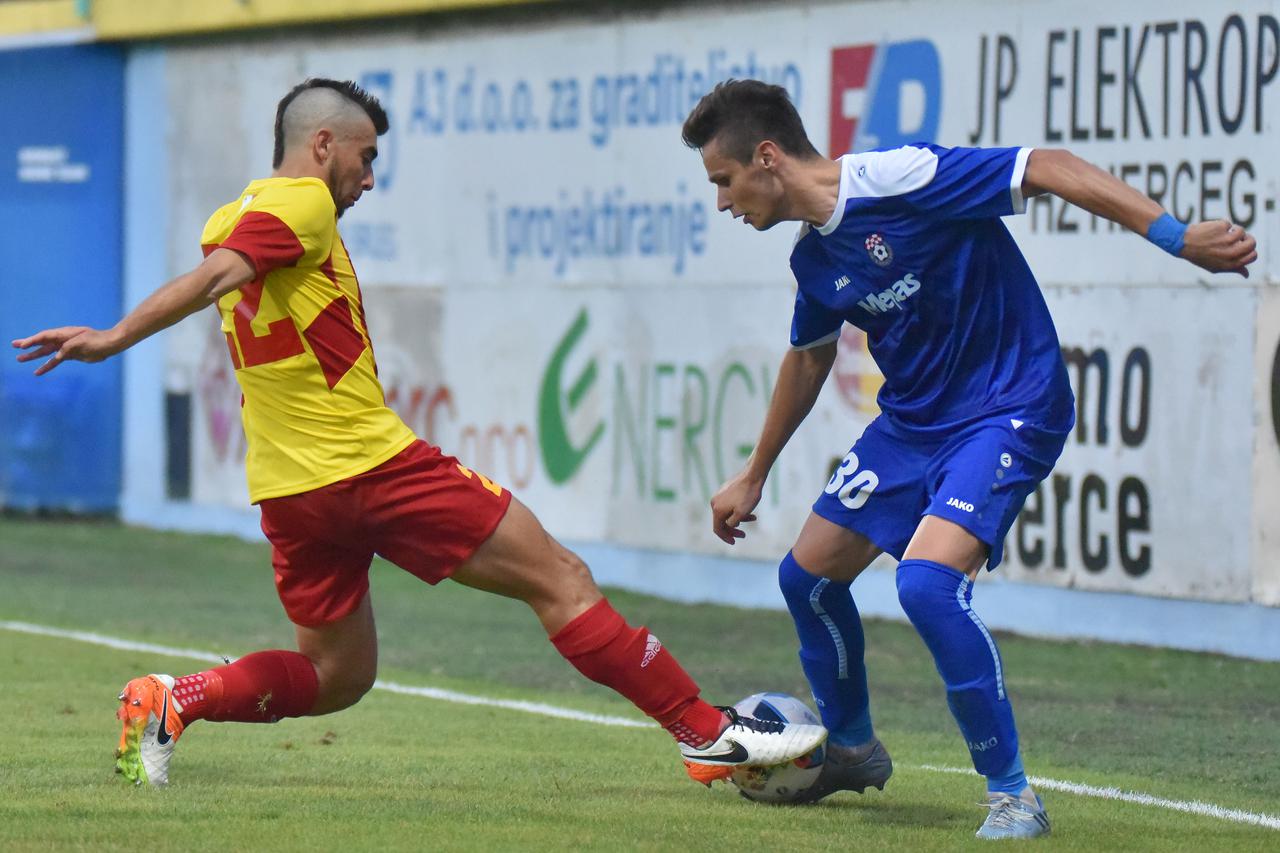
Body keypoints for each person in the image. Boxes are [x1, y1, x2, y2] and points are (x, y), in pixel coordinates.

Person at [12, 78, 826, 789]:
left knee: (338, 675)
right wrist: (114, 337)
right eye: (363, 158)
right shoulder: (299, 201)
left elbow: (230, 265)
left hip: (289, 492)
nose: (368, 178)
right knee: (562, 577)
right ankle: (703, 730)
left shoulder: (236, 212)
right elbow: (219, 276)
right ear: (320, 143)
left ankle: (170, 701)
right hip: (370, 466)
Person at [681, 79, 1256, 839]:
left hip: (1009, 403)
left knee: (925, 584)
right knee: (807, 578)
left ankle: (1014, 794)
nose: (723, 202)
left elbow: (1045, 166)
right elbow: (810, 358)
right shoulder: (815, 261)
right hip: (914, 422)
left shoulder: (897, 179)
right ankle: (851, 748)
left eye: (723, 181)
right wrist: (754, 471)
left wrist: (1175, 235)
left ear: (766, 157)